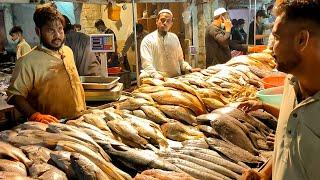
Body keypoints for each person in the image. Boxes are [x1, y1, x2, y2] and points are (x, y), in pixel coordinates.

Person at [240, 1, 320, 179]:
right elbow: (286, 142)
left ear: (301, 40)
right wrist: (264, 174)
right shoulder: (291, 83)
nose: (270, 48)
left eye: (276, 37)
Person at [6, 6, 86, 124]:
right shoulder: (27, 61)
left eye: (60, 29)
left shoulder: (68, 51)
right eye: (50, 30)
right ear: (38, 31)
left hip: (79, 120)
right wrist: (35, 115)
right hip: (52, 126)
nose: (57, 35)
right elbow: (15, 95)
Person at [140, 9, 196, 79]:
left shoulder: (174, 38)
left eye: (168, 21)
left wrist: (188, 68)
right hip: (158, 80)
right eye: (162, 20)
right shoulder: (148, 40)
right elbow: (146, 64)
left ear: (171, 24)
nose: (165, 23)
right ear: (157, 21)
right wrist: (156, 75)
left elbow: (181, 61)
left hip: (176, 79)